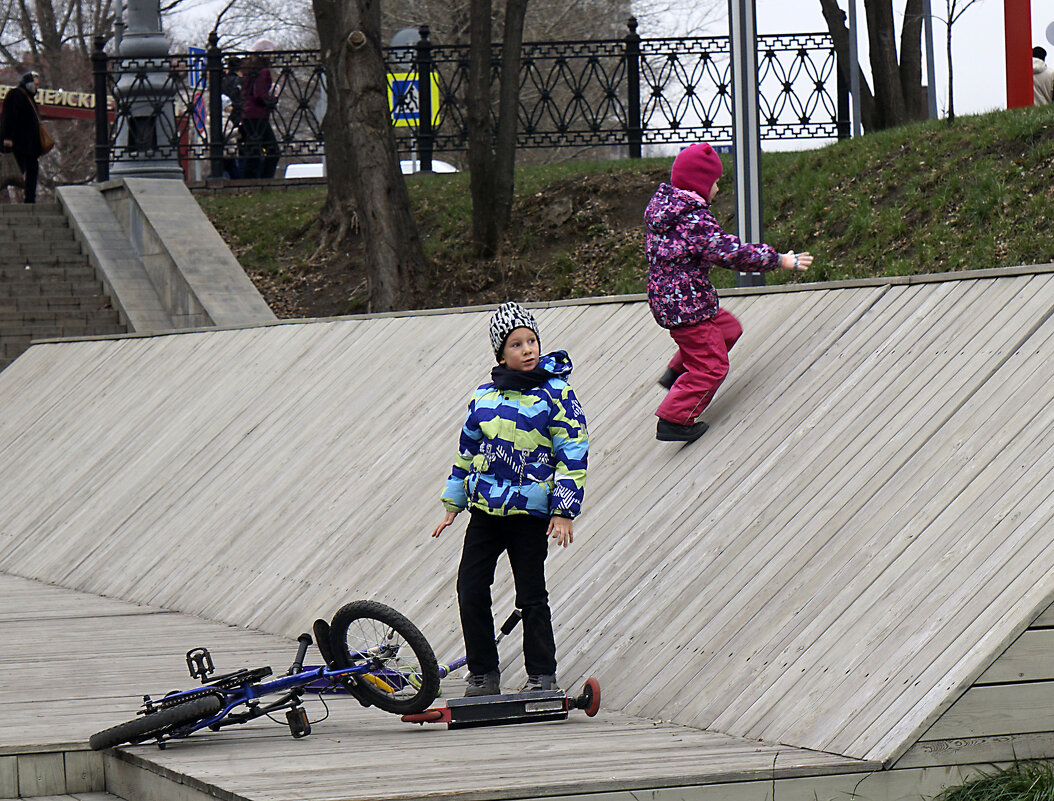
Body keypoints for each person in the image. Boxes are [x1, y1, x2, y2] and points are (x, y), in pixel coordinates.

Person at [432, 302, 589, 697]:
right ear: (501, 353)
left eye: (531, 340)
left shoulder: (557, 392)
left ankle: (542, 675)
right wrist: (453, 504)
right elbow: (466, 451)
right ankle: (483, 673)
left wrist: (564, 510)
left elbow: (572, 451)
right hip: (486, 511)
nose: (527, 348)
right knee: (470, 586)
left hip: (530, 514)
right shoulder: (484, 396)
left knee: (531, 593)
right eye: (516, 343)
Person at [646, 142, 813, 443]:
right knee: (713, 366)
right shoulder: (693, 219)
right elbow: (730, 253)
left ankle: (677, 373)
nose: (718, 190)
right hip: (687, 305)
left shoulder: (668, 213)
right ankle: (675, 418)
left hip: (677, 300)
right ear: (700, 183)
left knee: (728, 328)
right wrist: (778, 259)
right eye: (715, 183)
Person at [0, 72, 43, 204]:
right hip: (18, 143)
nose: (37, 88)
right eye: (35, 84)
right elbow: (9, 116)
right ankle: (30, 198)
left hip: (28, 144)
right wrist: (7, 137)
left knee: (30, 169)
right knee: (14, 170)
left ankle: (30, 198)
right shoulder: (16, 95)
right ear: (28, 84)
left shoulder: (27, 97)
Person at [240, 41, 280, 179]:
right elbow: (259, 95)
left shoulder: (249, 70)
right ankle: (265, 180)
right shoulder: (263, 71)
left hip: (247, 115)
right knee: (273, 151)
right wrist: (272, 100)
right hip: (258, 115)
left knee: (253, 151)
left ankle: (248, 181)